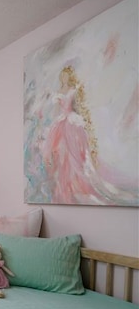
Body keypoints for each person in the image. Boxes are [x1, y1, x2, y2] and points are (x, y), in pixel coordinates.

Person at [42, 65, 101, 204]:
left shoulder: (73, 90)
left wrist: (82, 121)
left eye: (66, 75)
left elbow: (77, 107)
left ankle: (75, 184)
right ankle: (64, 185)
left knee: (73, 152)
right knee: (61, 153)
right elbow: (57, 110)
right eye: (62, 76)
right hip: (61, 121)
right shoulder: (58, 92)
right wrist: (54, 123)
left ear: (69, 76)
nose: (64, 78)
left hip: (71, 121)